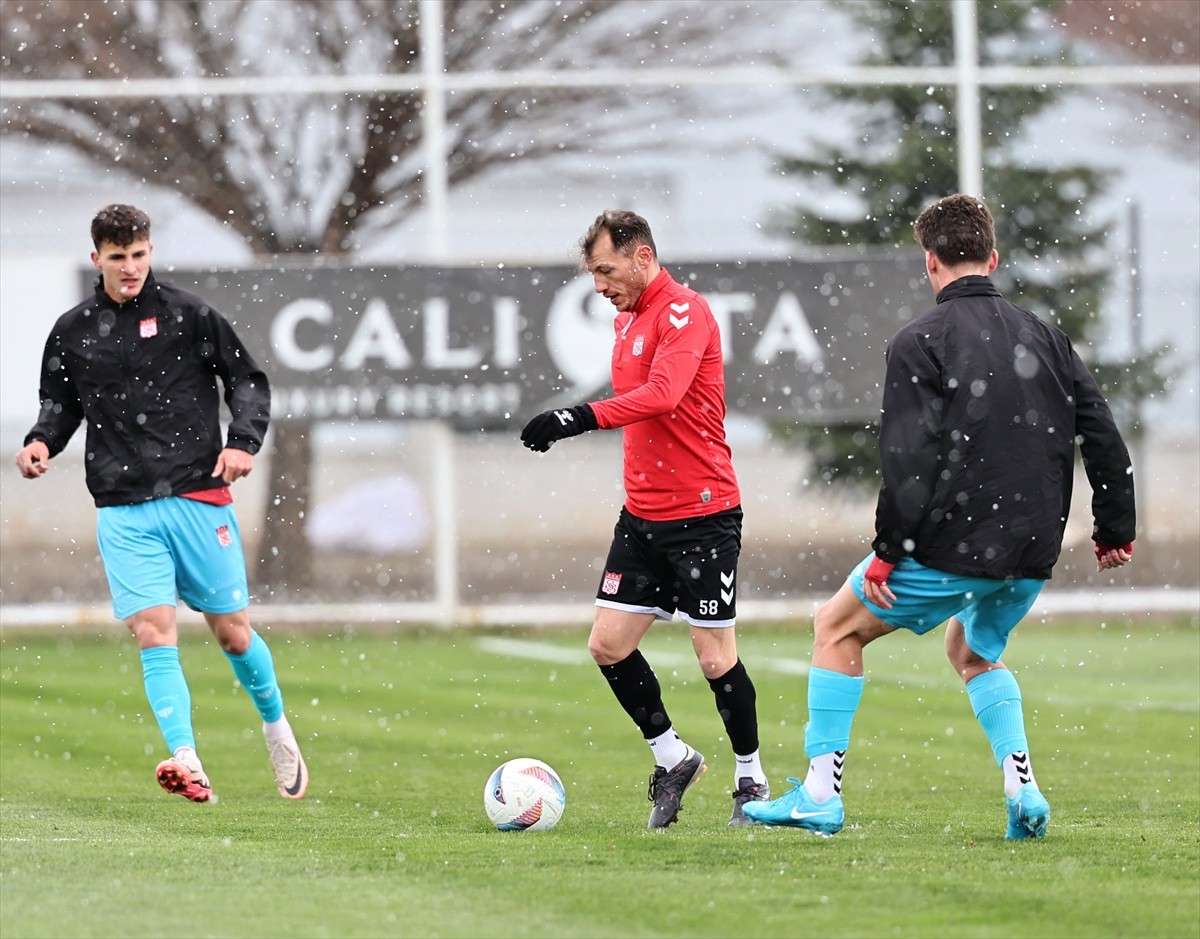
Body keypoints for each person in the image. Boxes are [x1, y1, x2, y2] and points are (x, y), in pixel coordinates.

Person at [743, 194, 1136, 839]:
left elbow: (908, 457)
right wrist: (1114, 528)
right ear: (993, 257)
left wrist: (890, 550)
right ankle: (1023, 786)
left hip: (957, 544)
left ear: (930, 261)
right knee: (973, 651)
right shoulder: (1046, 336)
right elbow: (1104, 438)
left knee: (835, 628)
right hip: (1033, 548)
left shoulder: (920, 341)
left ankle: (819, 794)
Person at [14, 204, 308, 804]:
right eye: (117, 257)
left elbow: (246, 380)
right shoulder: (72, 330)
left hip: (196, 495)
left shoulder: (190, 315)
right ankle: (186, 757)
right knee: (153, 631)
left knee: (232, 635)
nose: (130, 268)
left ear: (150, 252)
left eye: (139, 255)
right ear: (96, 257)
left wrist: (243, 442)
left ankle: (276, 724)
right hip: (123, 507)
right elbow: (61, 403)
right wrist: (41, 441)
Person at [520, 209, 769, 828]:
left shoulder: (685, 311)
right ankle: (674, 757)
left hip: (703, 515)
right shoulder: (626, 319)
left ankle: (751, 779)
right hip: (643, 518)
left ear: (642, 257)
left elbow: (664, 395)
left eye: (605, 271)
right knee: (606, 645)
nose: (599, 286)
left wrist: (573, 417)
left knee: (715, 658)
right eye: (593, 275)